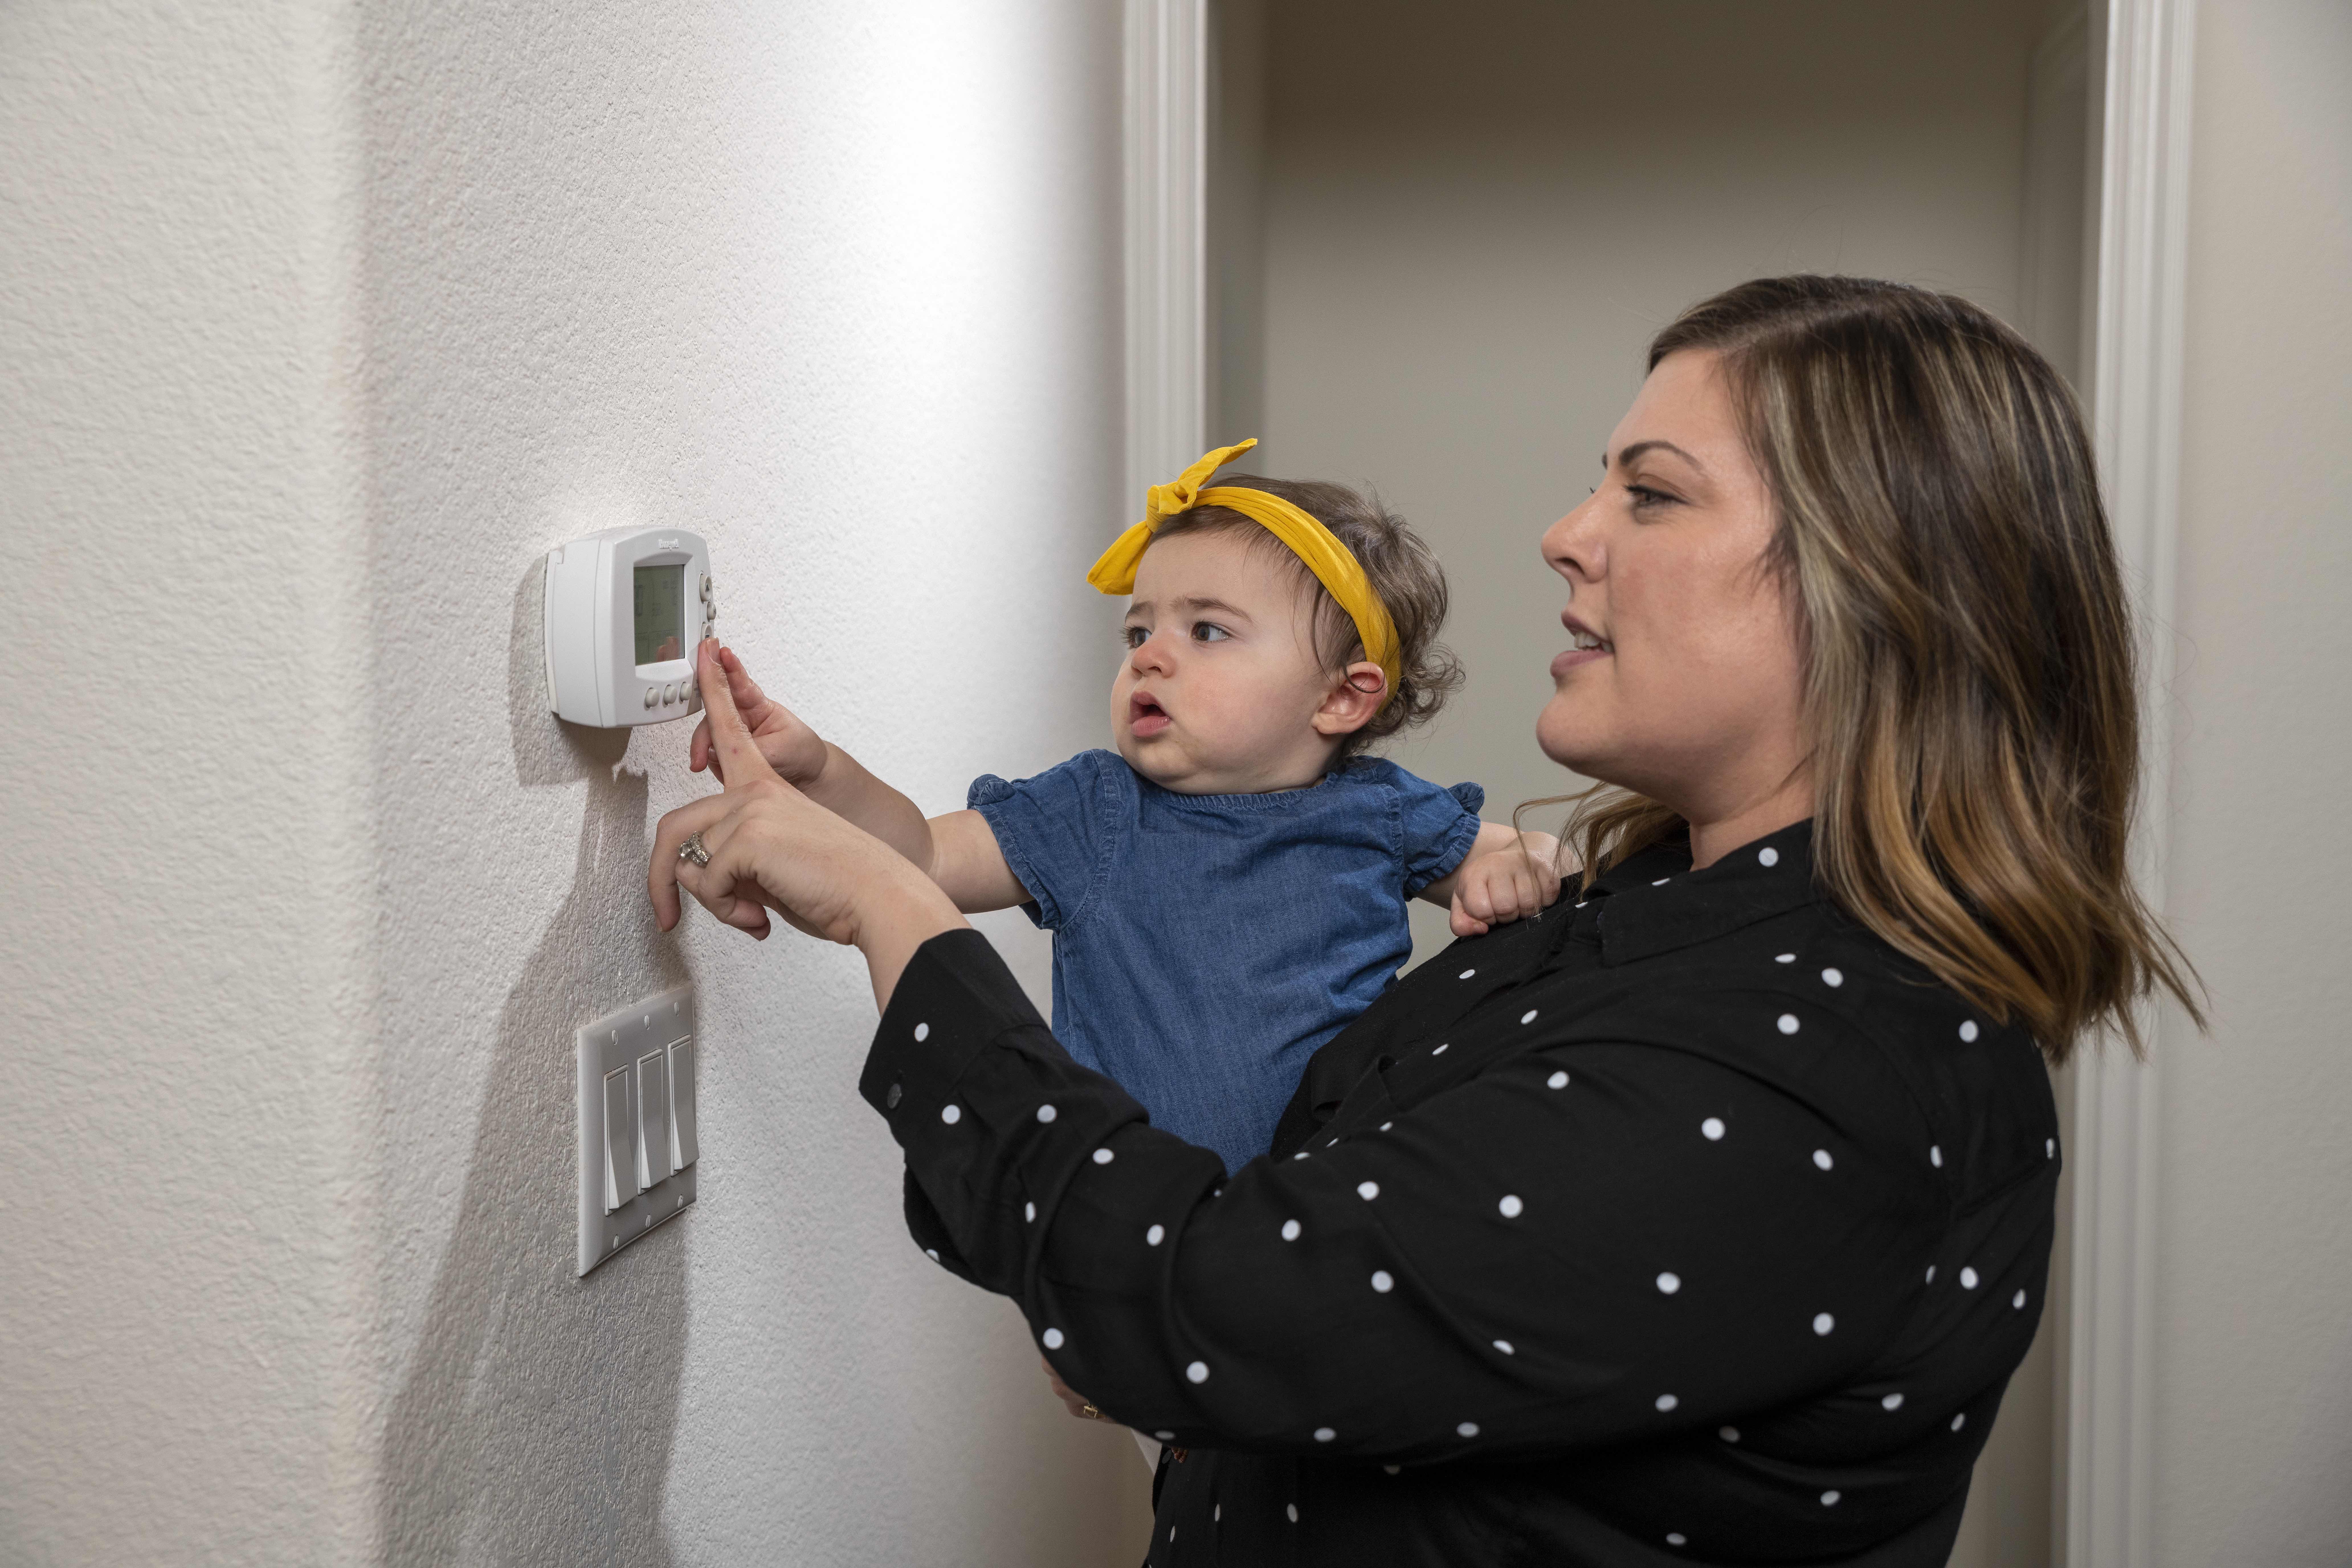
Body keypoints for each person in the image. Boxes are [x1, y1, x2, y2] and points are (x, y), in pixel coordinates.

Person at [649, 275, 2202, 1565]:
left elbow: (1221, 1301)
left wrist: (886, 912)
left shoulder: (1802, 1074)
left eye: (1649, 493)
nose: (1566, 532)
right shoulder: (1653, 917)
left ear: (1884, 589)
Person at [681, 442, 1559, 1174]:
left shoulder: (1379, 813)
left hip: (1328, 1214)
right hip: (1136, 1224)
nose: (1150, 657)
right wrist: (823, 771)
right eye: (1140, 632)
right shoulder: (1096, 813)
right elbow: (914, 860)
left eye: (1206, 631)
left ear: (1342, 700)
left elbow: (1530, 855)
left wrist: (1510, 869)